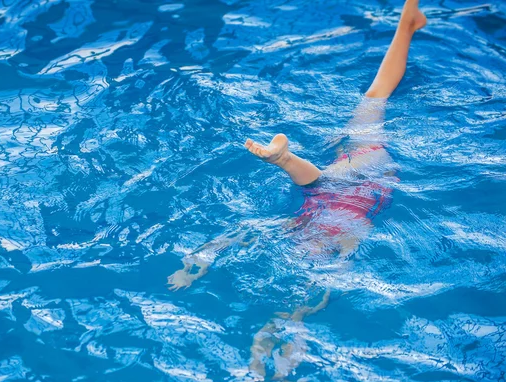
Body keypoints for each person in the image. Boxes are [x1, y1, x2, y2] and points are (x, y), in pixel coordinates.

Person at [167, 0, 426, 292]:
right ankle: (286, 160)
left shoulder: (298, 226)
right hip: (375, 168)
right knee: (371, 101)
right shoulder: (348, 238)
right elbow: (333, 284)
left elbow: (240, 234)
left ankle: (409, 23)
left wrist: (196, 262)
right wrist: (297, 325)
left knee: (368, 108)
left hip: (345, 169)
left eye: (298, 248)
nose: (302, 247)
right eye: (307, 253)